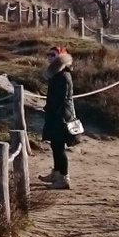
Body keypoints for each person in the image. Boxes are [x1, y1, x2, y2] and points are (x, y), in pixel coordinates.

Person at [41, 46, 79, 189]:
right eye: (48, 54)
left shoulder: (63, 75)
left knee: (59, 147)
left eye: (53, 54)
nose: (49, 57)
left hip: (61, 116)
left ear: (60, 57)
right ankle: (56, 173)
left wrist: (53, 110)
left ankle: (64, 177)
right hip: (55, 115)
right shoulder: (56, 74)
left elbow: (62, 98)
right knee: (55, 145)